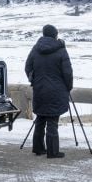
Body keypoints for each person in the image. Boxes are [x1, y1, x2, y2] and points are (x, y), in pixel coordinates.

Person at [24, 24, 73, 159]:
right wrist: (68, 86)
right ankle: (53, 151)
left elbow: (28, 67)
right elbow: (67, 72)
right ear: (55, 35)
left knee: (40, 118)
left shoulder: (36, 48)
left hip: (39, 89)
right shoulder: (61, 50)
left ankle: (38, 148)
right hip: (56, 90)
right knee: (52, 119)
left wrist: (34, 81)